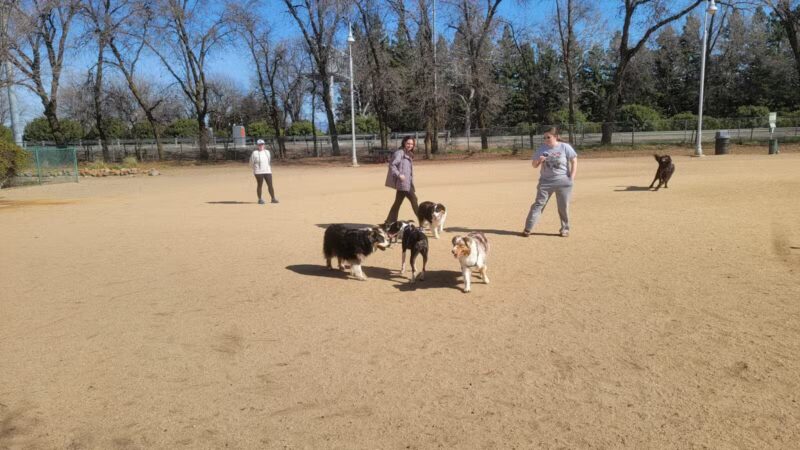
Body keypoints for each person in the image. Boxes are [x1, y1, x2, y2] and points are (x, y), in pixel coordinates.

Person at [522, 127, 577, 237]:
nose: (546, 139)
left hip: (563, 182)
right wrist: (539, 161)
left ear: (556, 137)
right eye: (544, 137)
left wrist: (572, 176)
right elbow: (534, 165)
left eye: (548, 137)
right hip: (545, 182)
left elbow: (574, 160)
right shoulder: (542, 149)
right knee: (538, 205)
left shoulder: (565, 147)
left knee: (563, 206)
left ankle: (565, 229)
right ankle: (528, 228)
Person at [384, 136, 419, 225]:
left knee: (397, 203)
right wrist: (399, 175)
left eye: (412, 144)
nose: (410, 145)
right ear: (404, 143)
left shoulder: (409, 154)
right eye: (408, 143)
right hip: (403, 183)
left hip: (408, 182)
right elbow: (392, 165)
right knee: (414, 200)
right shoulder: (400, 153)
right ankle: (422, 219)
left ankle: (389, 221)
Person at [249, 139, 278, 204]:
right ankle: (260, 199)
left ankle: (273, 198)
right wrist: (255, 169)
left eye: (262, 144)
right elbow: (251, 162)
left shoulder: (267, 152)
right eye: (259, 144)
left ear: (264, 145)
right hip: (258, 172)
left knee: (270, 185)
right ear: (257, 145)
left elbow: (268, 160)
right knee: (260, 185)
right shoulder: (255, 153)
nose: (261, 146)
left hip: (267, 171)